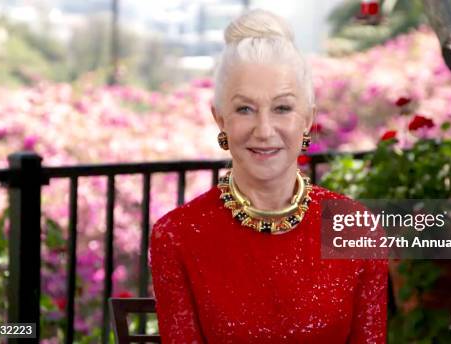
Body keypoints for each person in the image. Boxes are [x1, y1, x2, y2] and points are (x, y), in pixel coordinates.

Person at [149, 9, 388, 343]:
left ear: (307, 119)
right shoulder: (177, 236)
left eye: (282, 108)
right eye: (245, 109)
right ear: (221, 120)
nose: (264, 131)